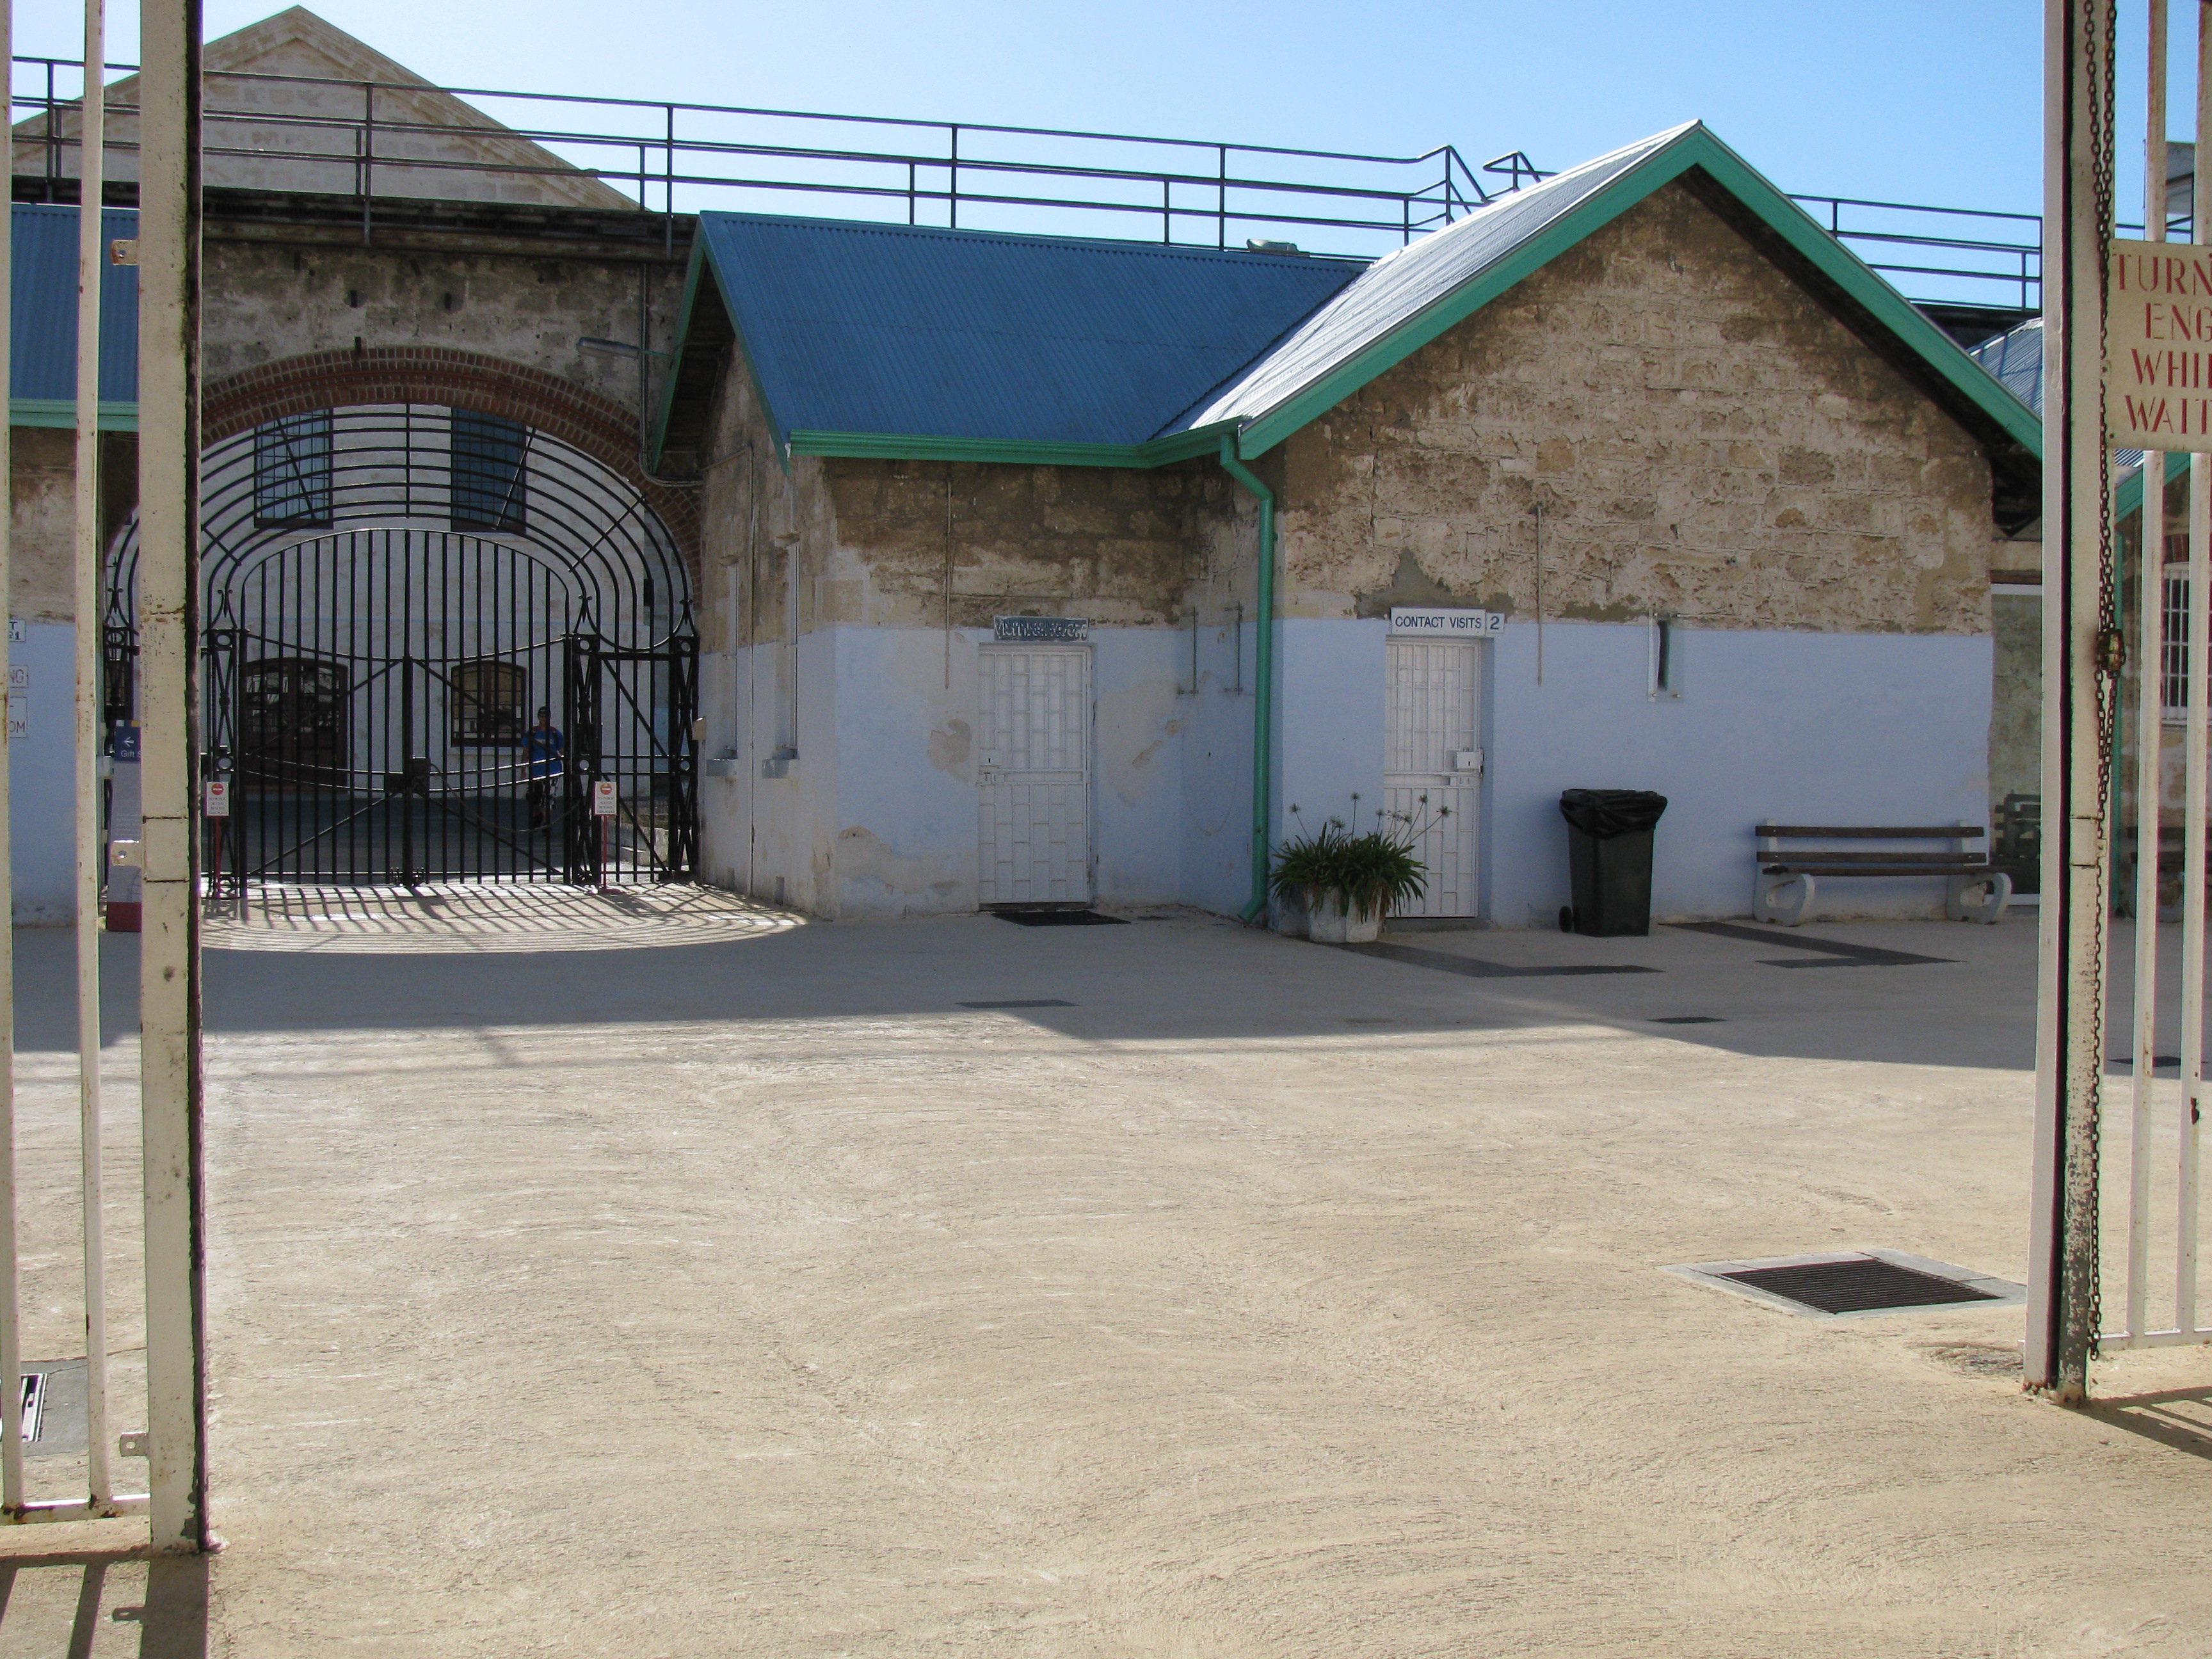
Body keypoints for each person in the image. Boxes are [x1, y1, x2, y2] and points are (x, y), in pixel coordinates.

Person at [525, 706, 564, 831]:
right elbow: (526, 752)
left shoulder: (554, 733)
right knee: (534, 797)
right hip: (536, 770)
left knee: (549, 798)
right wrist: (523, 769)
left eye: (546, 716)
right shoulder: (533, 732)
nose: (543, 719)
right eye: (541, 716)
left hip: (553, 770)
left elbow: (562, 751)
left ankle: (547, 823)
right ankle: (538, 816)